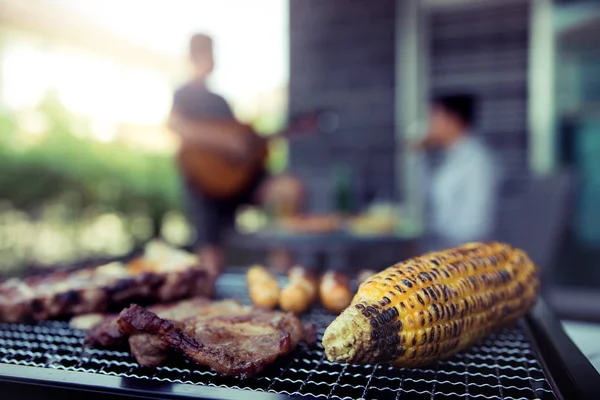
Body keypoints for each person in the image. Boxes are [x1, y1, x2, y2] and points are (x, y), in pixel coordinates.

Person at [168, 33, 303, 275]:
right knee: (210, 263)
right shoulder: (183, 94)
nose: (210, 59)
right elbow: (177, 126)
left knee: (288, 188)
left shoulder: (220, 101)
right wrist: (225, 140)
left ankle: (283, 272)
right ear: (193, 57)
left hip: (236, 183)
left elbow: (240, 147)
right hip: (205, 189)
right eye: (205, 54)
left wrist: (255, 147)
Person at [416, 94, 500, 251]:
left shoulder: (478, 161)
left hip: (464, 253)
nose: (429, 126)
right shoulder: (451, 157)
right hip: (442, 247)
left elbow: (476, 225)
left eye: (434, 118)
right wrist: (419, 156)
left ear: (453, 121)